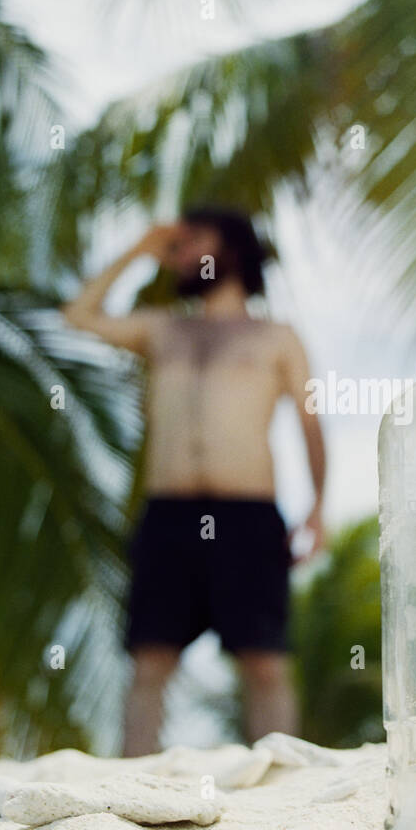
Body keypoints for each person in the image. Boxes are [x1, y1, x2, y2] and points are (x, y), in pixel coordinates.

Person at [61, 207, 326, 754]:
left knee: (265, 663)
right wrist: (139, 249)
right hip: (169, 516)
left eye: (192, 243)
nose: (180, 255)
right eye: (175, 247)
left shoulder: (277, 337)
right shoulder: (162, 329)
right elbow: (79, 315)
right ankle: (132, 790)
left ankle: (280, 785)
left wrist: (318, 507)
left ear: (232, 249)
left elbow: (310, 424)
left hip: (248, 516)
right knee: (150, 663)